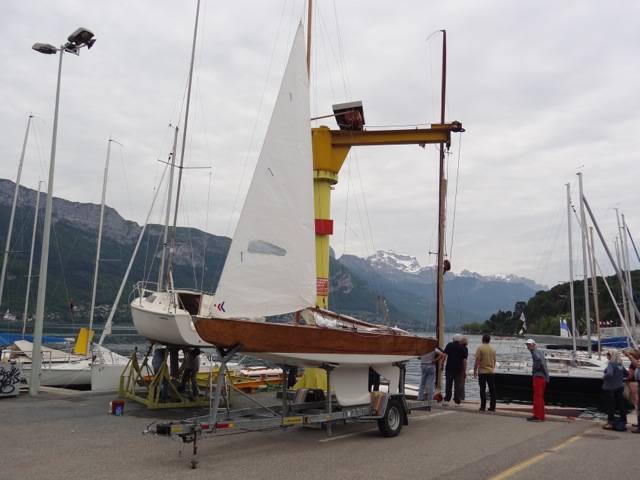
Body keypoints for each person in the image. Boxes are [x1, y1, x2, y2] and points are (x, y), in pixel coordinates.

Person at [602, 350, 627, 430]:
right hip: (619, 387)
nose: (607, 355)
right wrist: (619, 378)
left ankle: (610, 423)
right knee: (620, 405)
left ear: (611, 355)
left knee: (611, 405)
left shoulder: (611, 364)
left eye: (608, 354)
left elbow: (609, 373)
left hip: (610, 388)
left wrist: (604, 377)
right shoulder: (620, 364)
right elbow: (627, 374)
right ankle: (623, 421)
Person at [525, 338, 548, 421]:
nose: (528, 346)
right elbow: (543, 363)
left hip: (538, 377)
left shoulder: (534, 352)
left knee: (537, 397)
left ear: (534, 345)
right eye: (527, 345)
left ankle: (537, 416)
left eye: (529, 345)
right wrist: (546, 376)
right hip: (543, 377)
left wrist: (535, 369)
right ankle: (541, 416)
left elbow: (538, 360)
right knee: (540, 397)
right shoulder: (540, 352)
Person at [443, 334, 468, 406]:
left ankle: (446, 400)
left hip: (449, 368)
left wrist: (442, 364)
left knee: (448, 384)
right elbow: (464, 360)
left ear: (453, 339)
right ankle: (457, 402)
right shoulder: (463, 348)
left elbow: (444, 355)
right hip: (459, 370)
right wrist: (464, 370)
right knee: (457, 386)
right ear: (460, 340)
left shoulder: (449, 345)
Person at [418, 346, 445, 411]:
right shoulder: (433, 349)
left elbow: (418, 357)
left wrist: (423, 358)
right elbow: (442, 354)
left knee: (422, 383)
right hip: (430, 365)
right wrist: (435, 360)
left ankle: (420, 398)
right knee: (431, 384)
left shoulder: (422, 349)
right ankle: (430, 399)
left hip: (423, 365)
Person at [474, 334, 497, 412]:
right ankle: (492, 407)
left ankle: (483, 406)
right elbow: (494, 361)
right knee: (492, 389)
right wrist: (492, 368)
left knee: (482, 389)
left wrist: (475, 371)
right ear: (489, 340)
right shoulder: (493, 349)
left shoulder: (480, 348)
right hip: (491, 372)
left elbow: (477, 361)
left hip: (482, 372)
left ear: (482, 339)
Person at [623, 348, 640, 433]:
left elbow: (636, 366)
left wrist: (629, 356)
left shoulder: (636, 363)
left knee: (637, 405)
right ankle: (638, 424)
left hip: (634, 384)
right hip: (636, 383)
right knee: (637, 405)